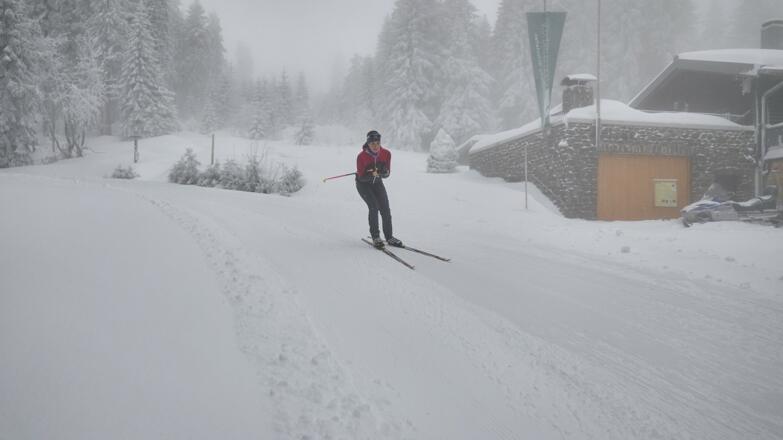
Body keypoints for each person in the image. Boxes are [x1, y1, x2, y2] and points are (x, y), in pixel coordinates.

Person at [356, 130, 403, 249]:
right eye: (372, 144)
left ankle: (389, 237)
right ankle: (376, 237)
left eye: (377, 143)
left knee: (385, 209)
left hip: (377, 183)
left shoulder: (386, 154)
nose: (375, 146)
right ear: (368, 144)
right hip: (363, 185)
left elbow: (387, 174)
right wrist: (373, 174)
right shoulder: (361, 157)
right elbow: (361, 176)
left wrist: (383, 173)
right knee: (374, 207)